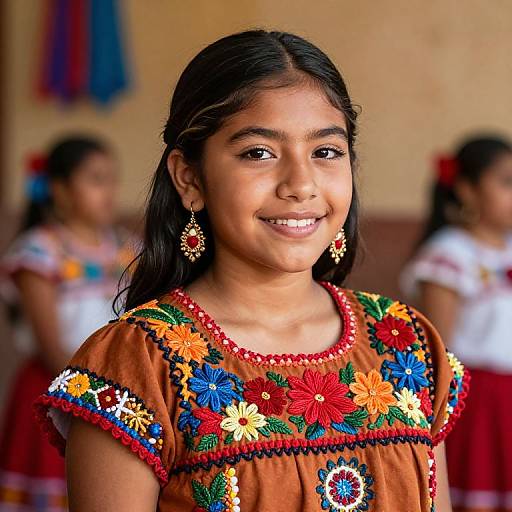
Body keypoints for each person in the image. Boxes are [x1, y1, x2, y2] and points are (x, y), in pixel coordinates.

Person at [35, 31, 466, 512]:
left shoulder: (405, 344)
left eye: (326, 151)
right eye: (259, 152)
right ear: (190, 178)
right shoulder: (138, 365)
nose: (301, 185)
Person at [0, 136, 135, 511]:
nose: (109, 190)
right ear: (60, 189)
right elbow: (50, 347)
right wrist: (93, 399)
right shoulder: (38, 252)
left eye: (112, 179)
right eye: (96, 179)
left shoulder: (128, 248)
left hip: (114, 397)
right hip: (55, 394)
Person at [401, 136, 512, 512]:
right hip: (477, 402)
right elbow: (439, 347)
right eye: (507, 182)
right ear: (466, 189)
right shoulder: (450, 255)